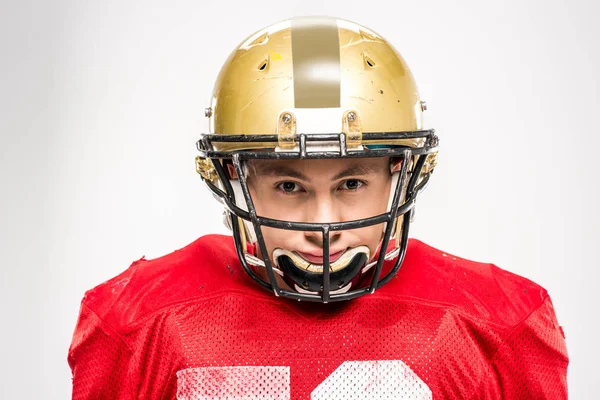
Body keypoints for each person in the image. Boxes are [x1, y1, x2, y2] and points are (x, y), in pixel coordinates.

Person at [68, 17, 569, 399]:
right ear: (236, 181)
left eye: (351, 182)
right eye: (289, 185)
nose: (324, 224)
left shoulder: (500, 326)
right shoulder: (138, 323)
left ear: (400, 174)